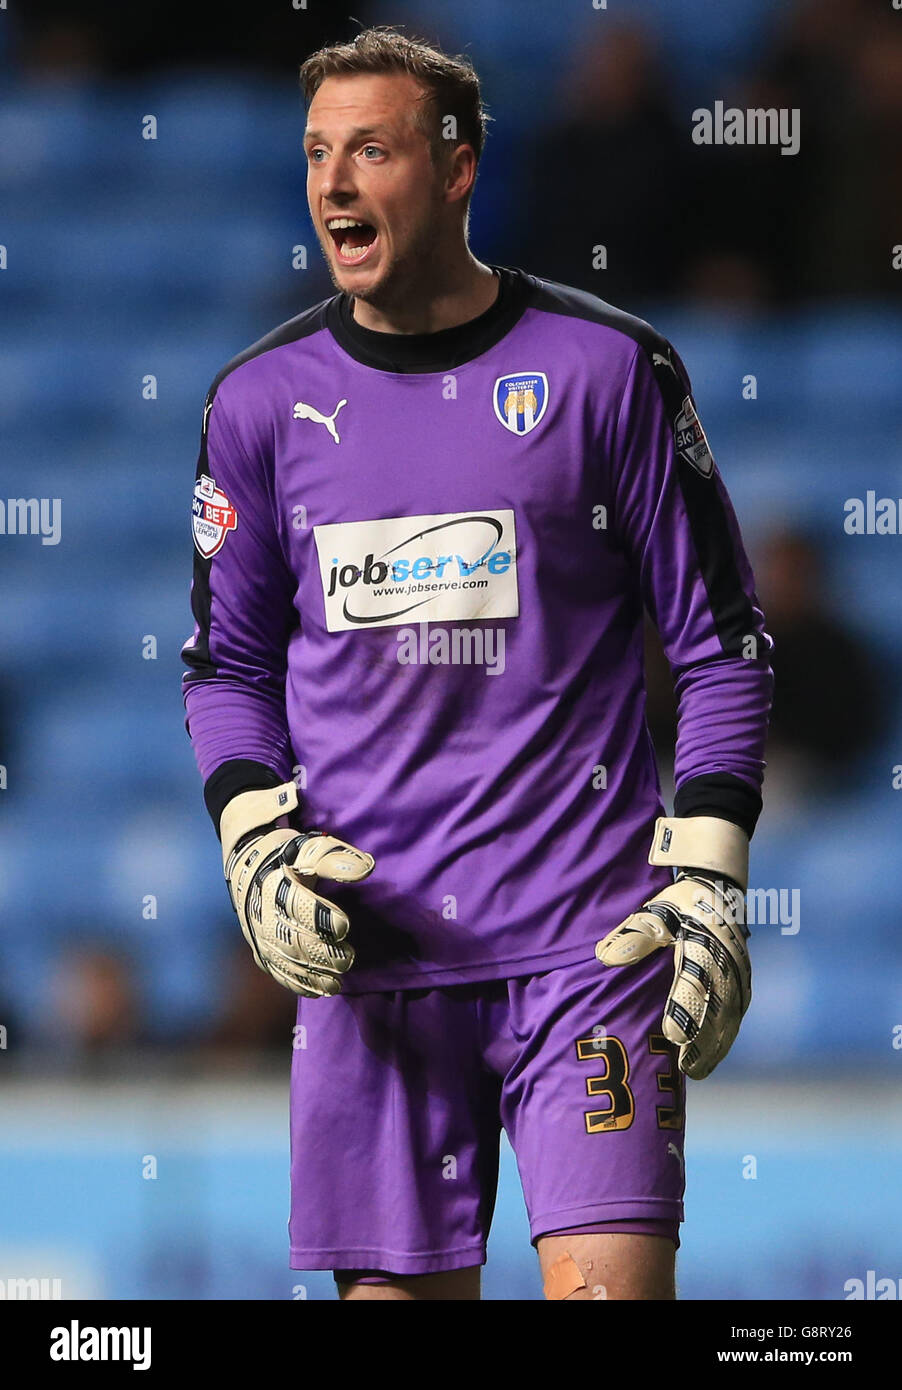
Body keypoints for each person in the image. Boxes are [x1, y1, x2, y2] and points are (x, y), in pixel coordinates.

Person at [181, 27, 773, 1302]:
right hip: (371, 963)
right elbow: (224, 667)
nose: (334, 184)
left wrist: (712, 878)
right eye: (317, 155)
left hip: (588, 948)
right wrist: (253, 846)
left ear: (457, 170)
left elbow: (720, 648)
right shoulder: (256, 406)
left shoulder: (606, 370)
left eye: (372, 151)